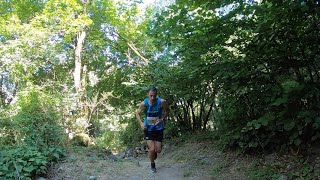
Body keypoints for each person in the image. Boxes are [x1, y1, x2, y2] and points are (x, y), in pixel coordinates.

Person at [135, 87, 169, 173]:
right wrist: (141, 123)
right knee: (152, 149)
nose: (152, 98)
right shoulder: (144, 104)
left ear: (156, 95)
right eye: (151, 96)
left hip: (159, 128)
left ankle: (154, 153)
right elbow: (137, 113)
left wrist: (161, 119)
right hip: (148, 128)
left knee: (158, 150)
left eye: (154, 96)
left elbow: (167, 111)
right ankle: (152, 163)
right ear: (148, 95)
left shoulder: (162, 102)